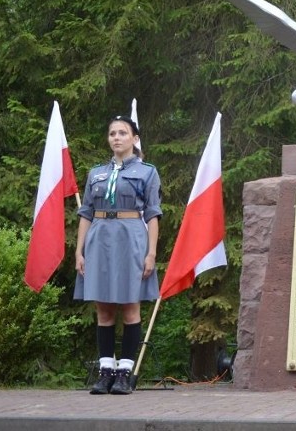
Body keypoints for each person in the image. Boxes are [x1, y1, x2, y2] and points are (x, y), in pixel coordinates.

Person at [74, 115, 162, 395]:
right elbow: (86, 213)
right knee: (104, 308)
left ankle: (124, 372)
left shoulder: (147, 171)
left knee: (130, 306)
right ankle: (106, 371)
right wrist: (79, 250)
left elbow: (152, 214)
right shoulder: (95, 173)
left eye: (123, 133)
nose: (116, 137)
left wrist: (151, 253)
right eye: (112, 133)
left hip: (131, 238)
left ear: (134, 139)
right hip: (99, 239)